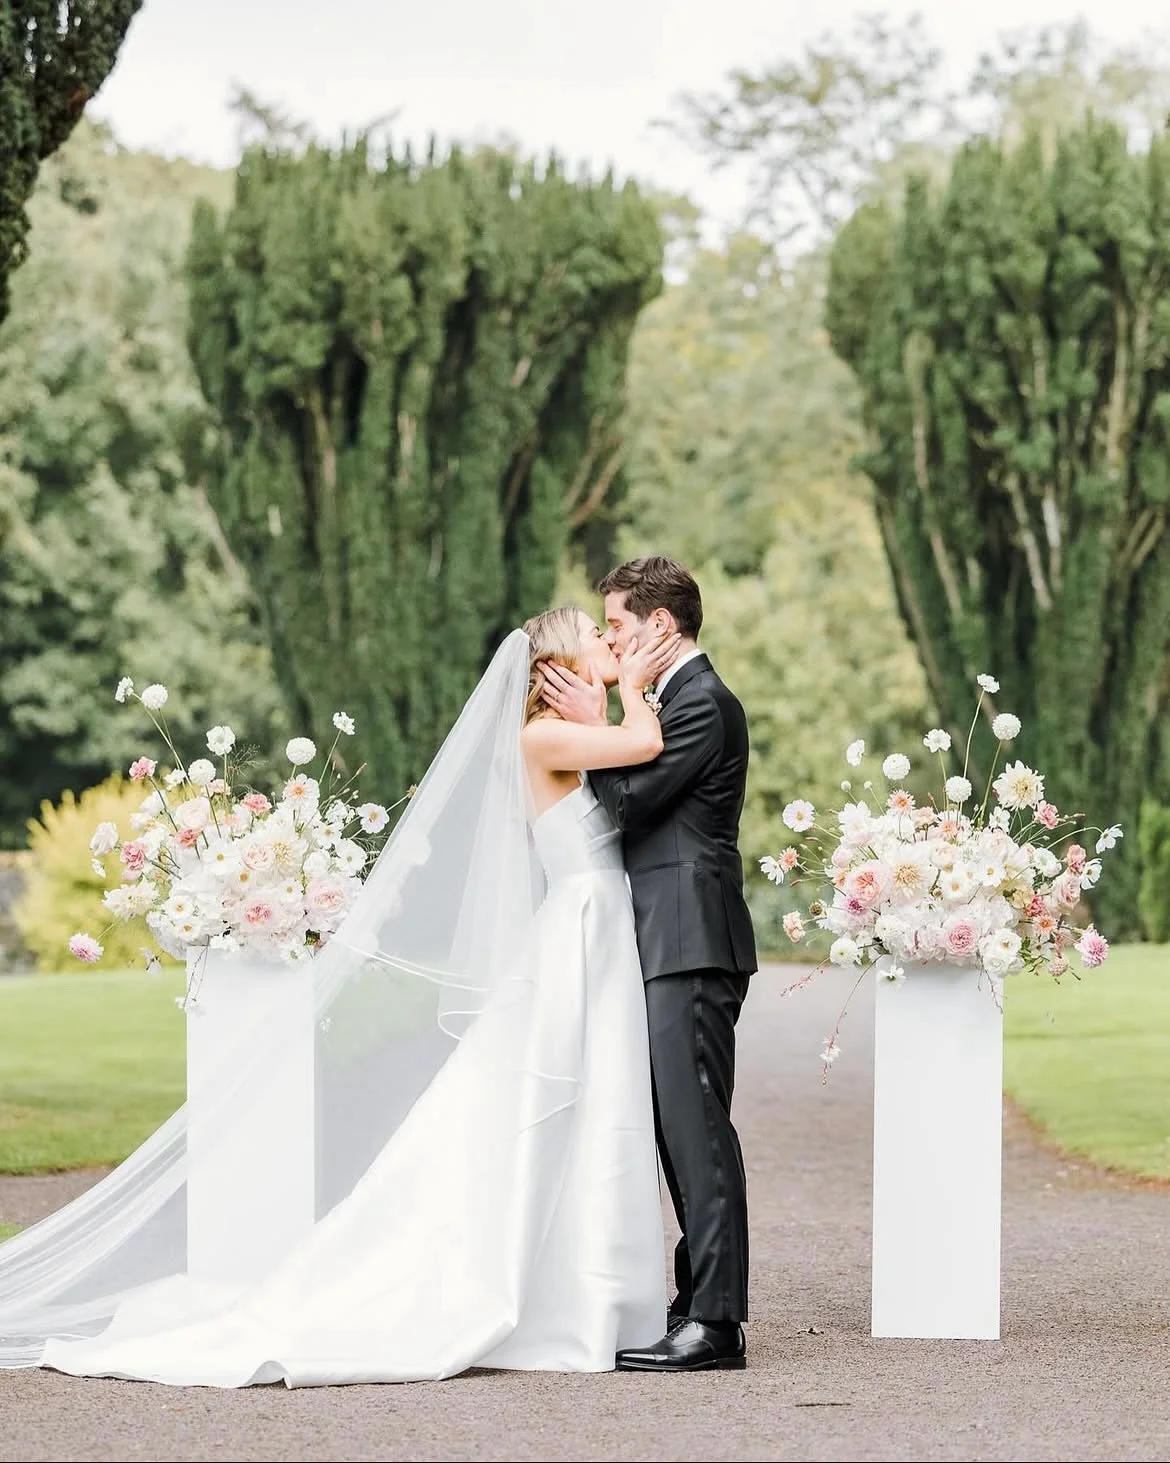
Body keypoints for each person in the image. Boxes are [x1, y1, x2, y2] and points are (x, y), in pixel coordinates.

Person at [0, 609, 683, 1385]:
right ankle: (551, 1299)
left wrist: (605, 700)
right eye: (597, 640)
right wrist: (630, 689)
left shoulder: (561, 734)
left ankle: (586, 1290)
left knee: (594, 1109)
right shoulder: (542, 738)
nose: (611, 645)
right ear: (560, 662)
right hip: (577, 933)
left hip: (591, 930)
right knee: (546, 1106)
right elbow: (646, 743)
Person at [539, 557, 757, 1373]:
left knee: (698, 1130)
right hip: (665, 937)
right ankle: (694, 1301)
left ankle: (717, 1322)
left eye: (621, 627)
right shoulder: (672, 704)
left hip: (690, 936)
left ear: (661, 627)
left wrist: (598, 719)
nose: (615, 640)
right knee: (680, 1131)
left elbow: (626, 806)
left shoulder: (702, 704)